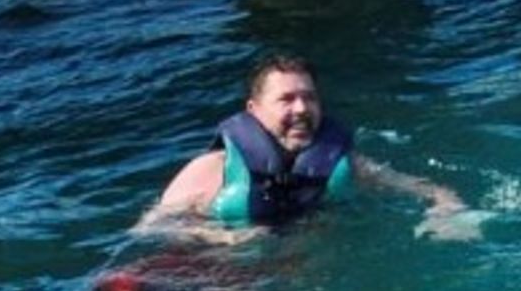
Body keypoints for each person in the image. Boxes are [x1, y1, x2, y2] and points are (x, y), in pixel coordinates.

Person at [134, 52, 466, 238]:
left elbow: (429, 190)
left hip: (296, 268)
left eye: (309, 98)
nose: (302, 109)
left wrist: (447, 211)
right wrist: (220, 237)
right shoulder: (210, 170)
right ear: (255, 110)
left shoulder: (349, 165)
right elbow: (148, 230)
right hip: (214, 264)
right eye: (287, 100)